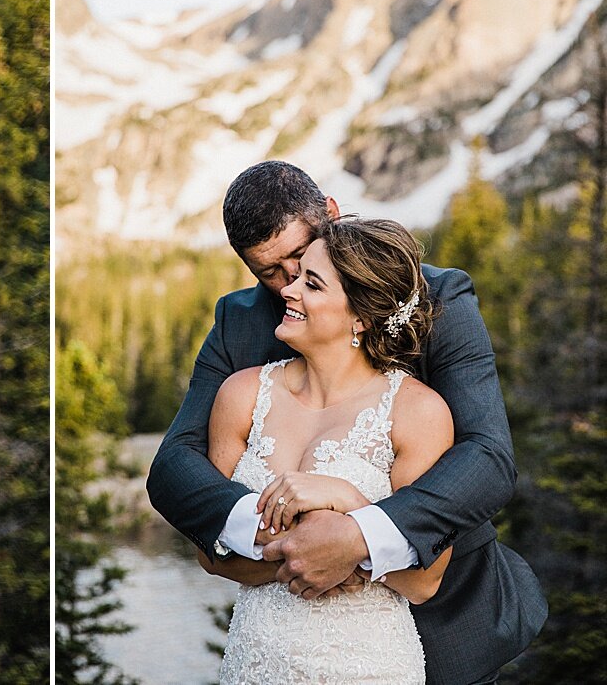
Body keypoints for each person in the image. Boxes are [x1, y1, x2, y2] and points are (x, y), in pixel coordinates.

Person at [148, 161, 544, 684]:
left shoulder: (439, 299)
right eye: (270, 272)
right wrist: (277, 539)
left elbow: (487, 457)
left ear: (331, 217)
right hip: (276, 636)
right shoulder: (239, 325)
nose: (288, 284)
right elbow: (176, 463)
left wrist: (359, 537)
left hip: (445, 618)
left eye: (301, 261)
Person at [203, 216, 449, 682]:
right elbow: (209, 553)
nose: (288, 291)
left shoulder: (418, 412)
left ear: (361, 317)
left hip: (368, 665)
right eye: (295, 278)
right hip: (256, 661)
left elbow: (423, 581)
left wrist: (353, 509)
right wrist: (317, 551)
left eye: (311, 284)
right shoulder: (241, 395)